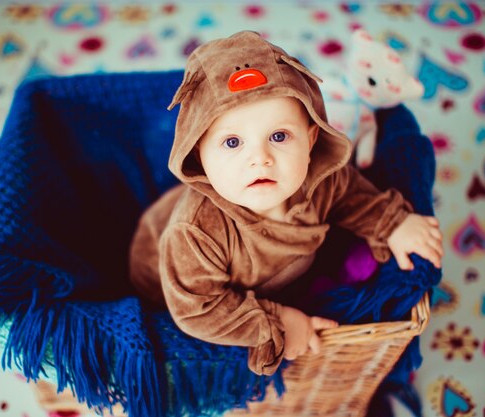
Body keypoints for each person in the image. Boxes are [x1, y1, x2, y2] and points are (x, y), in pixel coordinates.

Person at [129, 31, 443, 376]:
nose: (260, 159)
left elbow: (353, 197)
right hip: (170, 287)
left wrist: (393, 223)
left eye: (279, 137)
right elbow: (198, 309)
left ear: (310, 141)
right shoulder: (195, 234)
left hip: (277, 273)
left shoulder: (320, 179)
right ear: (199, 156)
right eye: (232, 142)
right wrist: (276, 321)